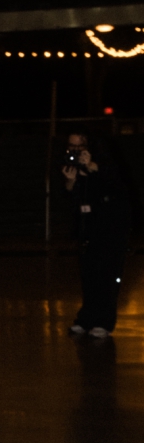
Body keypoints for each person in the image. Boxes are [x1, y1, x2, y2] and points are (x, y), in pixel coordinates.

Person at [62, 132, 132, 337]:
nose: (75, 151)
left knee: (108, 276)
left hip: (112, 228)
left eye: (80, 146)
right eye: (71, 146)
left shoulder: (108, 165)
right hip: (88, 227)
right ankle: (86, 318)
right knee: (88, 275)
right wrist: (70, 182)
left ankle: (104, 320)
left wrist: (94, 167)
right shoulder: (72, 166)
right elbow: (70, 198)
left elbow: (118, 188)